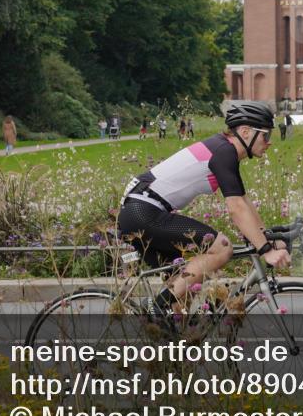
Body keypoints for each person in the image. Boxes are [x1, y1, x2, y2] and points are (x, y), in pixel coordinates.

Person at [116, 101, 291, 315]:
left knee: (184, 295)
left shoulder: (224, 150)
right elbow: (236, 208)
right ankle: (156, 307)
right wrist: (265, 250)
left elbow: (244, 202)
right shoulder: (224, 152)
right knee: (222, 248)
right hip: (142, 211)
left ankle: (170, 329)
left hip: (140, 211)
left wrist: (267, 237)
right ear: (245, 132)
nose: (269, 142)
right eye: (266, 135)